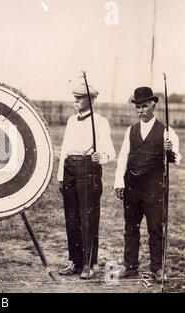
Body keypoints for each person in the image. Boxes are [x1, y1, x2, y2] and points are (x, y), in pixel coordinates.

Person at [114, 87, 181, 282]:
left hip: (154, 186)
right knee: (130, 227)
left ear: (154, 106)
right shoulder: (130, 130)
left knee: (155, 228)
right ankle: (130, 266)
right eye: (137, 107)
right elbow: (122, 158)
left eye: (144, 106)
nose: (141, 111)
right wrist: (119, 182)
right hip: (132, 185)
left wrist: (169, 150)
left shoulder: (167, 131)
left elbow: (175, 160)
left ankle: (157, 269)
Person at [57, 83, 116, 279]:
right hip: (69, 171)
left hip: (88, 170)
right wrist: (60, 176)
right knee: (71, 218)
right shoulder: (71, 121)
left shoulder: (100, 122)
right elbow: (64, 149)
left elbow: (110, 152)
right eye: (75, 97)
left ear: (91, 100)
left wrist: (102, 157)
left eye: (79, 98)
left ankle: (89, 264)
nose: (76, 101)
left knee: (88, 219)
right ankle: (75, 261)